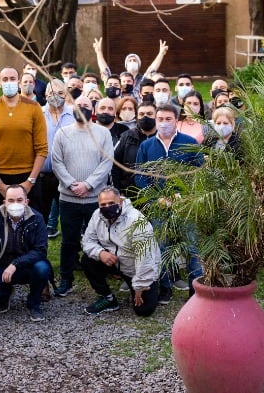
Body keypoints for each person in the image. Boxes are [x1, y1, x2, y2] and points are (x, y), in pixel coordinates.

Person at [136, 104, 203, 302]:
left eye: (168, 119)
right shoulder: (146, 146)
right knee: (162, 248)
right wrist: (157, 198)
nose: (164, 123)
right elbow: (140, 178)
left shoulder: (189, 143)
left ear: (176, 121)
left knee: (192, 248)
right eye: (160, 119)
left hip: (186, 206)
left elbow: (200, 174)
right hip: (159, 207)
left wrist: (185, 195)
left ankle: (195, 290)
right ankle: (165, 288)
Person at [49, 102, 114, 297]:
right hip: (68, 199)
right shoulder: (63, 133)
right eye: (79, 105)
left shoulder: (103, 133)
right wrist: (71, 184)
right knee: (68, 241)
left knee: (101, 238)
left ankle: (102, 276)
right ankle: (66, 279)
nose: (82, 108)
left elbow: (107, 161)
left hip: (96, 198)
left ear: (92, 110)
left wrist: (88, 185)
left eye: (86, 105)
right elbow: (56, 161)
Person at [0, 185, 51, 322]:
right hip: (0, 267)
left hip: (26, 267)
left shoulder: (37, 218)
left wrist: (15, 264)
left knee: (42, 268)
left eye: (19, 200)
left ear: (27, 202)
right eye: (11, 200)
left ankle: (34, 304)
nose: (15, 204)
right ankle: (4, 295)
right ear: (4, 203)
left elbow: (40, 250)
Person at [80, 187, 160, 316]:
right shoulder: (97, 216)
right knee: (87, 260)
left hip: (135, 268)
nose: (107, 207)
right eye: (103, 204)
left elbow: (145, 257)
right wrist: (100, 253)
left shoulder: (136, 221)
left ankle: (151, 281)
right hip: (114, 262)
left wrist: (140, 285)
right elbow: (87, 241)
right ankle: (108, 298)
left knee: (144, 310)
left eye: (111, 203)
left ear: (121, 202)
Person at [0, 67, 49, 212]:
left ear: (18, 82)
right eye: (5, 80)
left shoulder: (34, 107)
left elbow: (42, 149)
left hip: (29, 175)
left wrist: (30, 182)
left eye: (12, 79)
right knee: (0, 225)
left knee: (31, 223)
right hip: (0, 176)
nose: (8, 82)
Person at [39, 79, 74, 237]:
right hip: (42, 176)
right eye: (52, 93)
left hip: (67, 177)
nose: (56, 96)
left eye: (60, 93)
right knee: (40, 218)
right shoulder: (37, 114)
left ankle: (70, 259)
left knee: (70, 220)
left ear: (66, 94)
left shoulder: (75, 114)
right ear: (46, 94)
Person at [112, 102, 158, 197]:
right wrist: (118, 191)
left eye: (149, 114)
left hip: (157, 195)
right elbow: (114, 164)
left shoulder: (163, 138)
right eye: (141, 114)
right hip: (130, 194)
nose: (145, 117)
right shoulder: (126, 136)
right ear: (137, 117)